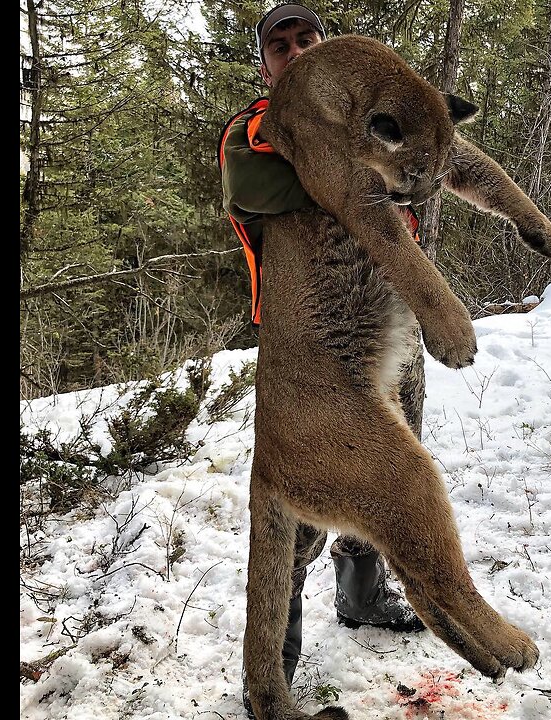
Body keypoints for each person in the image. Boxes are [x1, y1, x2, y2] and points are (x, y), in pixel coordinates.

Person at [216, 1, 427, 700]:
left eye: (308, 37)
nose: (297, 50)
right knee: (300, 508)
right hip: (310, 355)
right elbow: (261, 188)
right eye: (281, 44)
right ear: (265, 65)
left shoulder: (374, 122)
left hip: (391, 332)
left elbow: (421, 176)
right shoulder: (254, 131)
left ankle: (362, 594)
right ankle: (270, 667)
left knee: (394, 473)